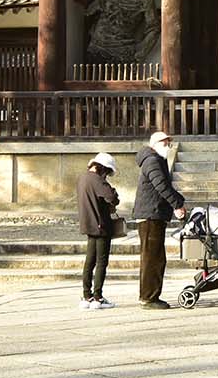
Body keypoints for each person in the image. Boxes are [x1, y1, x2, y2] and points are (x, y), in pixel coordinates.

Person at [131, 130, 186, 310]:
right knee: (151, 258)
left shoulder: (155, 160)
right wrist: (177, 204)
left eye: (169, 143)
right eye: (164, 143)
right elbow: (161, 185)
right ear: (154, 145)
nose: (168, 146)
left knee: (155, 258)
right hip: (150, 215)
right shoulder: (152, 161)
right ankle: (148, 298)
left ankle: (150, 295)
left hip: (154, 214)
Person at [77, 152, 121, 310]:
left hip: (88, 224)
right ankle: (98, 297)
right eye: (108, 172)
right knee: (102, 262)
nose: (107, 176)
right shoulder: (97, 180)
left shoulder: (83, 177)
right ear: (103, 168)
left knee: (90, 261)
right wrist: (113, 193)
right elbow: (111, 198)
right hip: (101, 225)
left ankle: (86, 295)